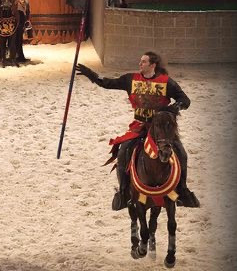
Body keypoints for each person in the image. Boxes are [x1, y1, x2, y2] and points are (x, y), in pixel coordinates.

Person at [75, 51, 200, 210]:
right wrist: (91, 74)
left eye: (143, 62)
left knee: (181, 153)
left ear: (152, 65)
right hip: (140, 126)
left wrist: (175, 107)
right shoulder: (130, 79)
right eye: (140, 61)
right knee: (123, 151)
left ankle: (182, 191)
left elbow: (185, 100)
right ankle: (123, 192)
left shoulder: (166, 82)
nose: (140, 64)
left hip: (161, 128)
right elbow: (107, 83)